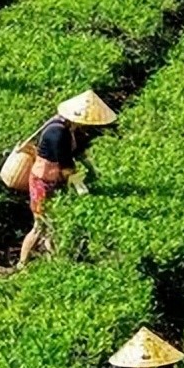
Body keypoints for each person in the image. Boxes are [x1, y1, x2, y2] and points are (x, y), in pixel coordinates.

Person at [18, 89, 116, 267]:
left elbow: (76, 152)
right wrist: (79, 186)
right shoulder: (57, 132)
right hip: (42, 182)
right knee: (40, 226)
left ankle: (52, 261)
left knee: (51, 225)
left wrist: (91, 168)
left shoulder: (68, 128)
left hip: (54, 182)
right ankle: (22, 264)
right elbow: (65, 165)